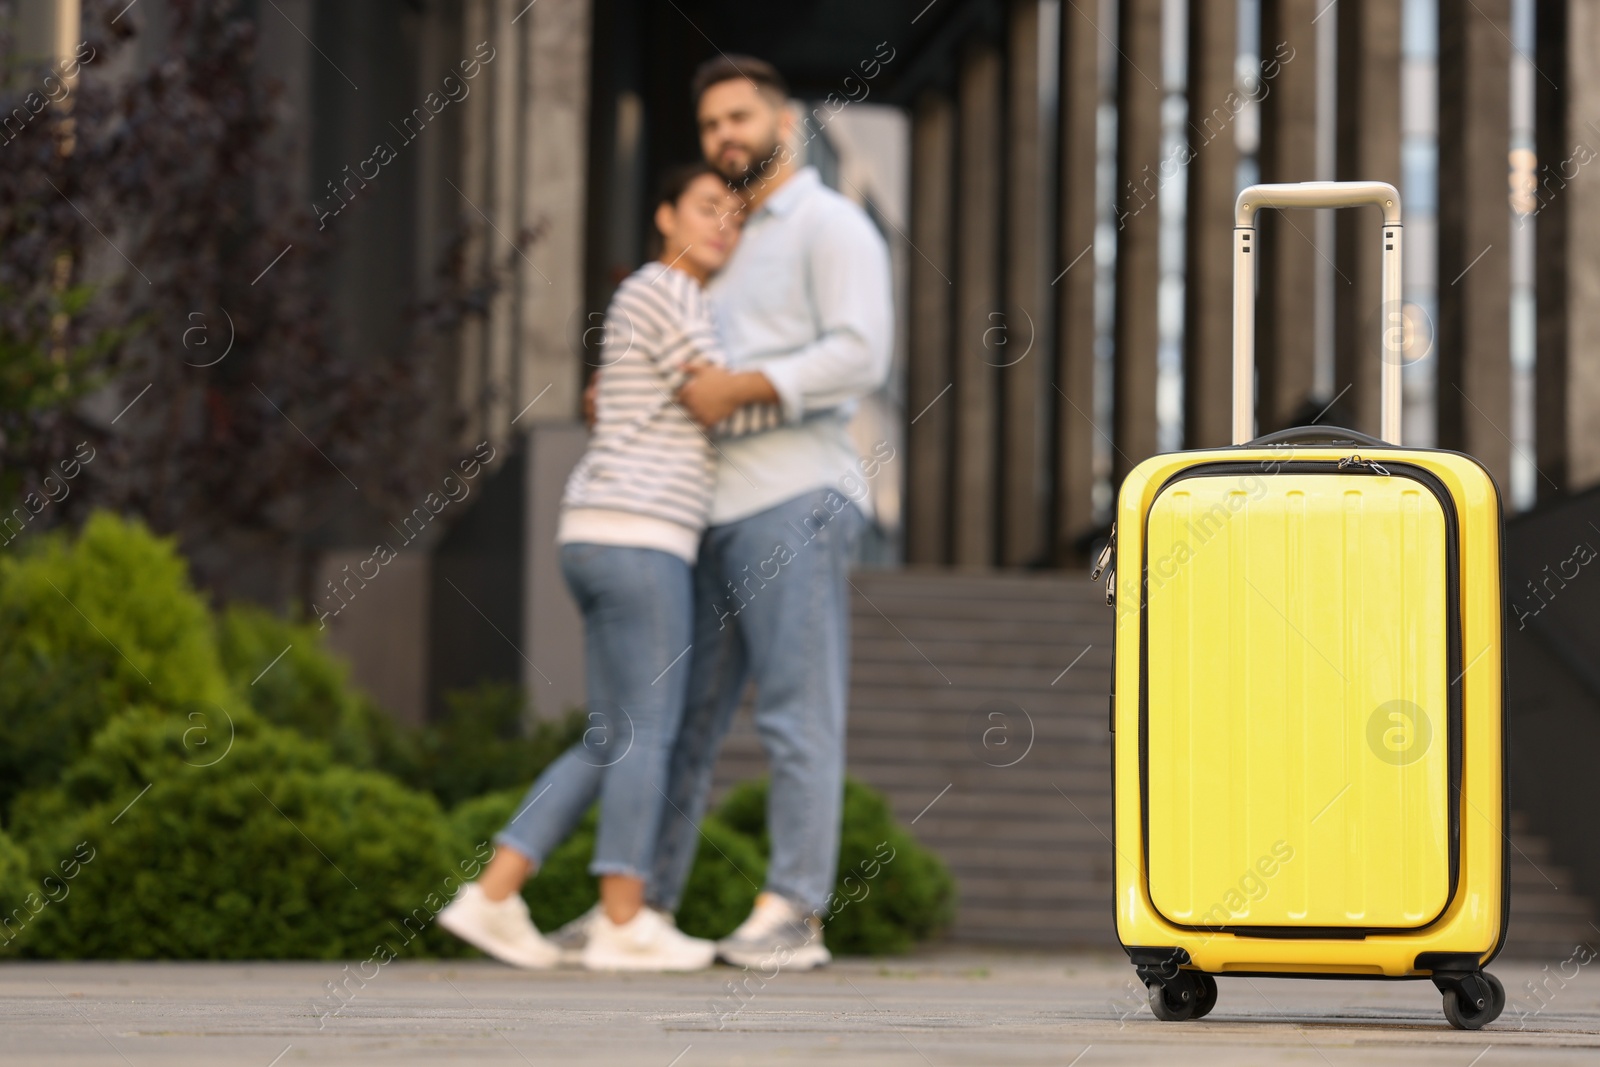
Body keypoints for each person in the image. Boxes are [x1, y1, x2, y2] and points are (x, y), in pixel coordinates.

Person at [438, 163, 773, 972]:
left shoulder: (641, 298)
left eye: (734, 216)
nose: (722, 226)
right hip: (642, 534)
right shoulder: (675, 291)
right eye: (705, 208)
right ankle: (626, 922)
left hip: (593, 531)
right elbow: (708, 398)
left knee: (611, 734)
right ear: (663, 215)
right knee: (648, 733)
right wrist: (804, 389)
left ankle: (491, 896)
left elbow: (620, 397)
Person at [644, 55, 894, 971]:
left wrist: (743, 385)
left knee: (795, 713)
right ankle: (646, 911)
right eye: (711, 126)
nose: (725, 138)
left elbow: (861, 355)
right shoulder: (727, 238)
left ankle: (794, 909)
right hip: (704, 512)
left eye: (740, 118)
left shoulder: (831, 225)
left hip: (798, 499)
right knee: (682, 721)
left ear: (782, 119)